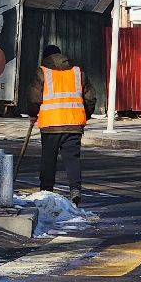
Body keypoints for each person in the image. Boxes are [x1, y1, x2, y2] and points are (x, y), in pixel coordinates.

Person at [23, 44, 96, 204]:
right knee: (72, 159)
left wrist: (33, 114)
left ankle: (46, 190)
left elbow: (34, 97)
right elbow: (90, 98)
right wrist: (85, 115)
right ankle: (75, 190)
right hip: (73, 124)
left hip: (50, 125)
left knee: (48, 159)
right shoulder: (77, 72)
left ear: (46, 58)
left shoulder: (42, 72)